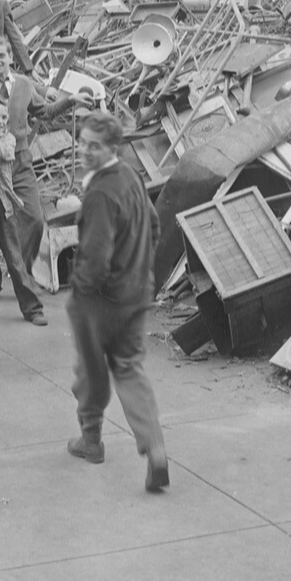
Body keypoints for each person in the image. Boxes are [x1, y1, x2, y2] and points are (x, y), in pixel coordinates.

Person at [66, 111, 168, 492]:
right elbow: (154, 226)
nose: (85, 151)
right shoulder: (130, 176)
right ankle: (154, 449)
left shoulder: (100, 194)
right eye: (82, 142)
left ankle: (90, 439)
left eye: (94, 146)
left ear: (112, 148)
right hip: (137, 293)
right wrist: (138, 269)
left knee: (89, 372)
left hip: (102, 302)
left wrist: (81, 293)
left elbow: (94, 260)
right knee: (129, 369)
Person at [0, 38, 89, 287]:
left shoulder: (24, 84)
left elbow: (44, 112)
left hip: (21, 159)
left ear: (10, 59)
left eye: (0, 56)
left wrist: (71, 100)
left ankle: (21, 272)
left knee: (34, 219)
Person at [0, 96, 47, 325]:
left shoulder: (9, 139)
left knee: (14, 258)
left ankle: (33, 309)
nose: (1, 121)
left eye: (4, 117)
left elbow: (5, 153)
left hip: (3, 206)